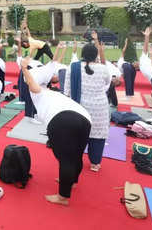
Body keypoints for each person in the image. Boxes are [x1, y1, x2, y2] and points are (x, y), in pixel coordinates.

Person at [21, 55, 92, 206]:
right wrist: (60, 51)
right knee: (77, 155)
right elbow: (52, 64)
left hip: (63, 120)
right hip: (85, 118)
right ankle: (72, 181)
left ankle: (63, 197)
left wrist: (23, 68)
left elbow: (32, 84)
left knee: (65, 159)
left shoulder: (38, 91)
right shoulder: (52, 92)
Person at [63, 33, 111, 173]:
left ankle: (74, 159)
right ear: (96, 54)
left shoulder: (73, 67)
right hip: (100, 109)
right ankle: (95, 163)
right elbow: (107, 83)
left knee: (77, 134)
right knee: (97, 135)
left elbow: (66, 90)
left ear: (82, 54)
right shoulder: (103, 68)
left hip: (80, 108)